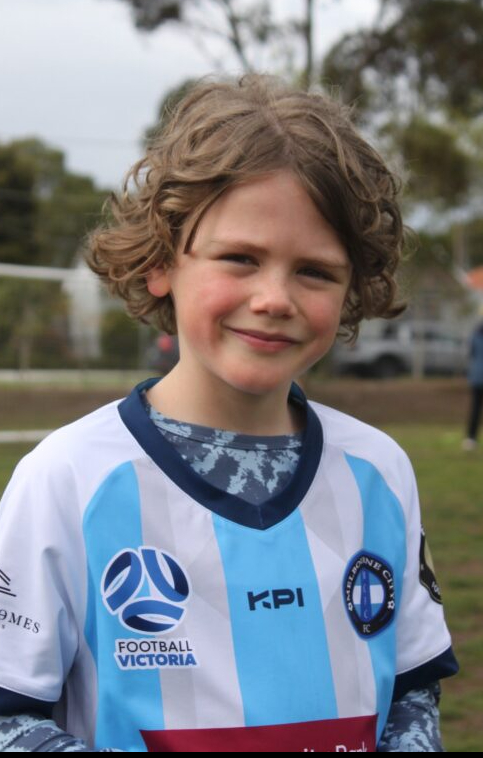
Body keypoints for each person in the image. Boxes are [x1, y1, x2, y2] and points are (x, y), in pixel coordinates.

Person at [0, 75, 458, 752]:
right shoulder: (66, 479)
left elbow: (412, 694)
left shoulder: (378, 471)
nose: (274, 298)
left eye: (315, 271)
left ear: (352, 288)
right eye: (240, 259)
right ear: (161, 263)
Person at [462, 307, 483, 451]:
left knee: (475, 409)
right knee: (475, 409)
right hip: (478, 377)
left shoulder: (476, 334)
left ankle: (470, 438)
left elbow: (471, 353)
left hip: (476, 376)